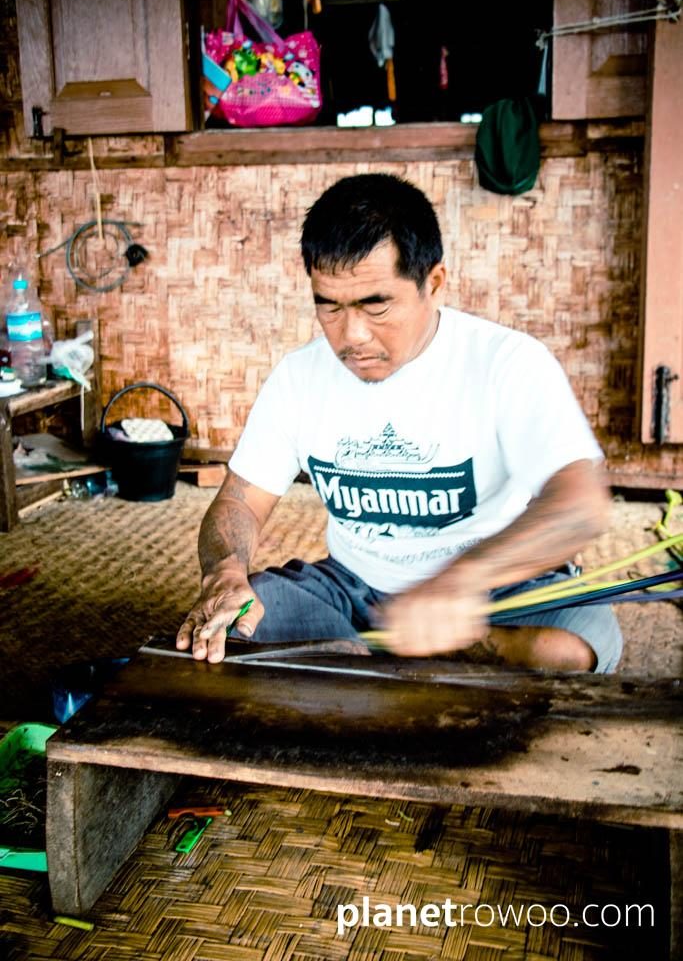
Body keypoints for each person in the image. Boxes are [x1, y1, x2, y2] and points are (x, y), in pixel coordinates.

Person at [176, 173, 622, 672]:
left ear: (433, 282)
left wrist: (460, 584)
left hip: (495, 589)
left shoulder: (508, 363)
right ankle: (388, 651)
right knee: (237, 624)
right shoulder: (298, 378)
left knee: (568, 649)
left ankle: (402, 653)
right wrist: (225, 569)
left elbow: (580, 505)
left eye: (376, 304)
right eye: (329, 306)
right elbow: (239, 500)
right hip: (353, 589)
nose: (352, 335)